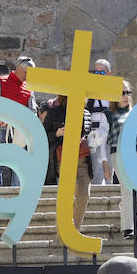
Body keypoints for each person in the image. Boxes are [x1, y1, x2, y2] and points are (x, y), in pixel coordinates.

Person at [43, 93, 93, 226]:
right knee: (68, 196)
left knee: (84, 195)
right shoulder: (54, 112)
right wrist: (57, 133)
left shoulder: (86, 113)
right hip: (63, 158)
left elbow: (88, 134)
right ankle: (65, 229)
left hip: (82, 159)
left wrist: (87, 139)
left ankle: (74, 230)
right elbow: (42, 136)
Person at [0, 56, 37, 186]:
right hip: (1, 129)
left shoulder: (29, 87)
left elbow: (33, 111)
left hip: (19, 132)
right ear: (19, 68)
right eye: (26, 73)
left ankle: (17, 194)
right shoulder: (0, 81)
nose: (27, 76)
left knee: (19, 163)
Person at [108, 84, 137, 239]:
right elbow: (103, 138)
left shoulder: (136, 113)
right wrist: (104, 162)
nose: (125, 95)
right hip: (118, 153)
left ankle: (125, 210)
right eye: (122, 92)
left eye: (128, 92)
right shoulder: (108, 114)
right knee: (127, 190)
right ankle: (128, 228)